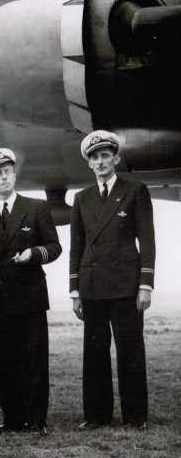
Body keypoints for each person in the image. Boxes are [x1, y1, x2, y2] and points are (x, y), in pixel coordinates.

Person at [70, 130, 155, 431]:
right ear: (89, 164)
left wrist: (146, 285)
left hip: (125, 286)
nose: (100, 161)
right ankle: (96, 415)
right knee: (94, 352)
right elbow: (76, 247)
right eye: (94, 157)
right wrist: (74, 290)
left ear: (116, 158)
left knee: (130, 350)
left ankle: (135, 415)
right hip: (92, 287)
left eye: (106, 155)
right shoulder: (82, 198)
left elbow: (147, 240)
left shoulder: (135, 191)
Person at [0, 148, 61, 436]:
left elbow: (54, 246)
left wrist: (34, 253)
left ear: (15, 174)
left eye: (7, 171)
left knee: (34, 358)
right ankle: (12, 418)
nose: (4, 177)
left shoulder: (37, 207)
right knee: (6, 360)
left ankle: (36, 420)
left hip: (31, 297)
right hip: (0, 299)